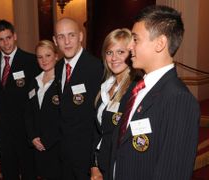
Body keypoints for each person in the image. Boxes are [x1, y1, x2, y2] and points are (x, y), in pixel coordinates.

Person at [110, 5, 200, 180]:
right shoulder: (137, 88)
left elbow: (172, 172)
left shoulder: (179, 100)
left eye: (135, 39)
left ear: (160, 43)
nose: (129, 46)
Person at [0, 19, 39, 180]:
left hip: (24, 127)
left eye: (8, 37)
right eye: (1, 39)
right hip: (2, 127)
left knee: (28, 169)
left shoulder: (30, 60)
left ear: (15, 36)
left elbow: (34, 97)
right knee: (8, 170)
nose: (6, 43)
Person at [53, 17, 104, 179]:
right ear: (55, 41)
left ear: (81, 36)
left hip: (86, 155)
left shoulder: (96, 67)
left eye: (71, 35)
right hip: (63, 153)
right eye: (61, 37)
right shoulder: (59, 66)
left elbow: (100, 118)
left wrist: (94, 161)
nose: (66, 42)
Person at [90, 28, 141, 180]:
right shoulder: (105, 86)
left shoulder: (136, 89)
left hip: (121, 169)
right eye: (109, 52)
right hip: (101, 165)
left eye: (120, 52)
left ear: (131, 53)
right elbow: (98, 132)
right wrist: (94, 165)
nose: (114, 58)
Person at [25, 40, 62, 180]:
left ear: (56, 56)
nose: (44, 60)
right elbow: (28, 113)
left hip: (57, 145)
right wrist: (33, 137)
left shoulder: (62, 81)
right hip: (38, 144)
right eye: (40, 57)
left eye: (47, 55)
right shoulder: (34, 81)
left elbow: (64, 116)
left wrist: (48, 140)